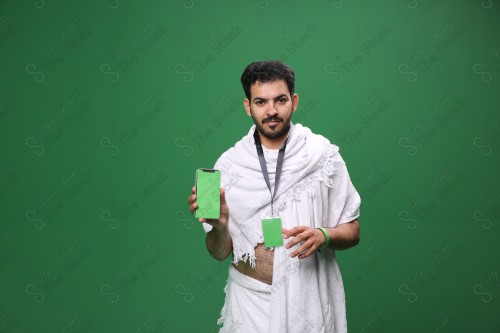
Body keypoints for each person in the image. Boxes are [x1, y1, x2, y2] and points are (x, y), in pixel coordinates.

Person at [188, 60, 361, 333]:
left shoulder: (321, 155)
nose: (271, 111)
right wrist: (219, 225)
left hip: (307, 303)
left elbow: (353, 231)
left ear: (294, 102)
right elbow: (220, 252)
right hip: (249, 306)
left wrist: (323, 236)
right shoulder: (230, 165)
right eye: (261, 102)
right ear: (248, 107)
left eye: (280, 100)